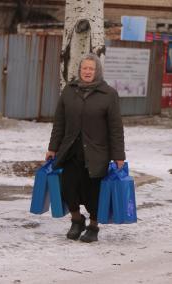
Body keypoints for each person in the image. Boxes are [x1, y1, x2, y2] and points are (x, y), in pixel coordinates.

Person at [46, 53, 125, 242]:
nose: (87, 72)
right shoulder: (69, 91)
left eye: (91, 68)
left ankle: (93, 226)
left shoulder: (108, 94)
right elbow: (59, 123)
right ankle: (76, 220)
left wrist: (118, 155)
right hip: (70, 150)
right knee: (68, 188)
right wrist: (52, 147)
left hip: (97, 152)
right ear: (79, 70)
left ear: (97, 71)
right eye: (84, 68)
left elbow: (116, 129)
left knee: (93, 193)